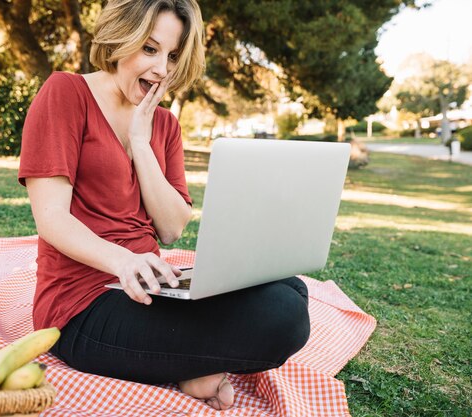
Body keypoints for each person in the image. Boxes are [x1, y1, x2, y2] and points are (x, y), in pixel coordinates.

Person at [18, 0, 310, 410]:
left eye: (172, 56)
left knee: (290, 286)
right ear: (121, 39)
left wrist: (141, 140)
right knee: (283, 316)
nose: (161, 69)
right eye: (150, 49)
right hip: (81, 306)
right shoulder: (65, 93)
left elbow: (171, 228)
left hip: (150, 286)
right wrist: (123, 261)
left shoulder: (165, 124)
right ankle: (192, 367)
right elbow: (50, 218)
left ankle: (188, 364)